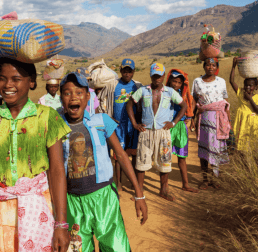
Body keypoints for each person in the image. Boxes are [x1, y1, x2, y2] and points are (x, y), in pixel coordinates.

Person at [0, 57, 71, 252]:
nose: (8, 85)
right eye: (2, 78)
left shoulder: (47, 117)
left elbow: (57, 171)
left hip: (38, 208)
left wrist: (61, 224)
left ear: (32, 82)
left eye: (16, 79)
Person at [60, 72, 148, 252]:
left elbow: (121, 155)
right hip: (73, 201)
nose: (73, 97)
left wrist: (139, 194)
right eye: (67, 93)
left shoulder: (100, 121)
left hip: (104, 198)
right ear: (61, 98)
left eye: (78, 92)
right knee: (78, 248)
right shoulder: (55, 125)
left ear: (87, 97)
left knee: (115, 247)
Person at [126, 63, 187, 201]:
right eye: (154, 76)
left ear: (164, 76)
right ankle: (139, 191)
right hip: (146, 131)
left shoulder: (170, 92)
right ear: (151, 75)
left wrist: (174, 122)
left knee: (164, 162)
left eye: (159, 76)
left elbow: (184, 105)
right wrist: (135, 124)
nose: (157, 78)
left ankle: (164, 190)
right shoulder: (143, 90)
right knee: (142, 162)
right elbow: (130, 103)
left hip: (163, 132)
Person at [97, 58, 142, 191]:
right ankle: (119, 183)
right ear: (120, 71)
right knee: (118, 154)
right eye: (124, 71)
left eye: (130, 71)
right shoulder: (112, 84)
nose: (127, 74)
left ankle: (133, 181)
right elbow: (101, 98)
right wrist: (107, 116)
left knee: (134, 152)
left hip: (133, 124)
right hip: (117, 125)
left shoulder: (138, 86)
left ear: (133, 72)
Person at [191, 58, 230, 189]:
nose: (210, 67)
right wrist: (192, 117)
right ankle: (205, 179)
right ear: (204, 66)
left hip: (219, 119)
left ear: (217, 67)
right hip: (204, 118)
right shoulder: (197, 81)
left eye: (213, 65)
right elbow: (194, 100)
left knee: (216, 150)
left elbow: (224, 102)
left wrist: (228, 121)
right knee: (204, 149)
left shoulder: (221, 82)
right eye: (208, 65)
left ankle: (215, 178)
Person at [165, 69, 198, 193]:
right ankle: (165, 186)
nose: (176, 84)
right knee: (166, 156)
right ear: (169, 80)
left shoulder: (183, 93)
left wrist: (190, 117)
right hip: (168, 126)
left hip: (180, 127)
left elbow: (191, 102)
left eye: (179, 82)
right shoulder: (165, 92)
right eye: (174, 81)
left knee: (182, 157)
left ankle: (185, 184)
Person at [229, 57, 258, 151]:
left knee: (254, 145)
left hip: (253, 124)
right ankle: (243, 159)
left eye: (251, 86)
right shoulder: (240, 93)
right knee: (241, 144)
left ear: (256, 87)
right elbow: (231, 81)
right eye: (246, 85)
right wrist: (233, 66)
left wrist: (250, 99)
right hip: (242, 121)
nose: (248, 87)